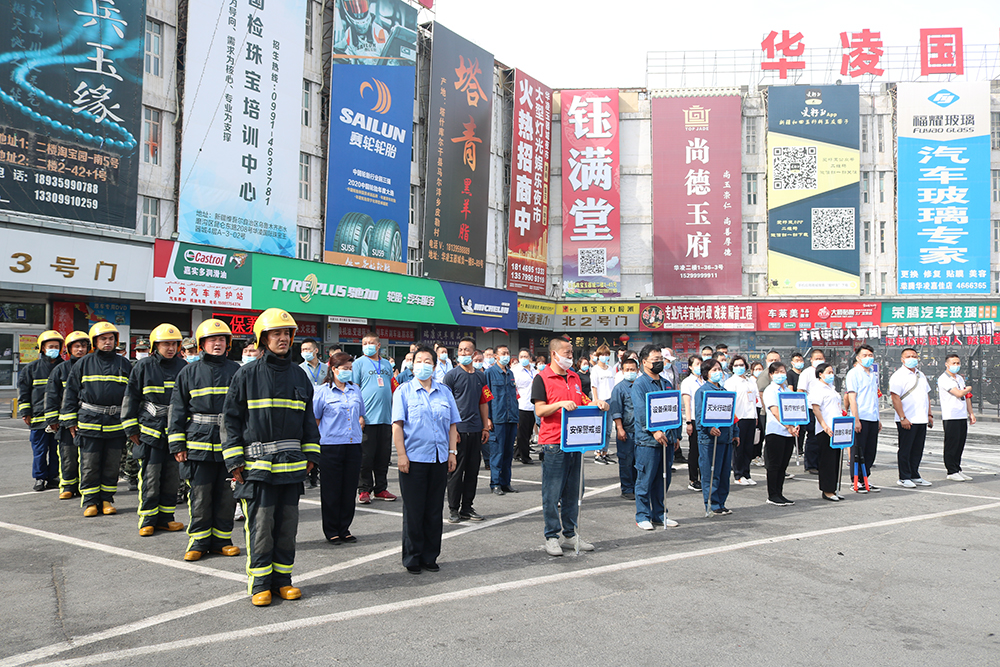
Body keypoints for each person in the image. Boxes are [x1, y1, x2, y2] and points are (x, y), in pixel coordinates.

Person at [223, 308, 321, 606]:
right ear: (263, 338)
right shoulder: (247, 373)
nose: (282, 338)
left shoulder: (299, 375)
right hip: (257, 469)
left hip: (291, 467)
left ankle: (283, 581)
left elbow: (308, 420)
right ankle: (260, 584)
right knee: (261, 527)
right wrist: (234, 461)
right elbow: (230, 420)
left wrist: (311, 454)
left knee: (287, 527)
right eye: (275, 333)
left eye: (286, 334)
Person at [168, 319, 242, 561]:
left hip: (228, 444)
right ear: (202, 344)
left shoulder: (237, 371)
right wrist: (177, 444)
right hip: (197, 443)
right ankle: (198, 540)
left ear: (228, 343)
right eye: (212, 340)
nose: (217, 344)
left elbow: (245, 409)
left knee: (226, 495)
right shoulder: (188, 372)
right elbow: (177, 409)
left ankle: (222, 540)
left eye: (221, 340)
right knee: (200, 495)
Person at [531, 337, 608, 556]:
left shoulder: (574, 377)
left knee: (574, 491)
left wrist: (597, 403)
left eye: (571, 352)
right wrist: (559, 405)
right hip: (554, 442)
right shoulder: (542, 378)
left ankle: (570, 533)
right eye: (566, 353)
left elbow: (583, 400)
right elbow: (540, 410)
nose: (570, 356)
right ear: (554, 354)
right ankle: (552, 536)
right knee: (552, 492)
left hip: (576, 442)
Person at [392, 345, 460, 574]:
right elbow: (397, 426)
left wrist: (452, 452)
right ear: (412, 365)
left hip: (439, 458)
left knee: (433, 510)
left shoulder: (445, 392)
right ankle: (412, 557)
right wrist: (401, 455)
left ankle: (430, 556)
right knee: (414, 510)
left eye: (427, 361)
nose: (423, 365)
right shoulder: (403, 391)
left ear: (435, 365)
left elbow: (452, 425)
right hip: (414, 459)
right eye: (418, 360)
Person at [61, 322, 133, 517]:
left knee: (111, 465)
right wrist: (70, 421)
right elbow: (70, 393)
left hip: (116, 423)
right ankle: (91, 501)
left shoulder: (124, 364)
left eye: (111, 339)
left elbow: (133, 395)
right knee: (90, 464)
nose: (107, 342)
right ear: (95, 342)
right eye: (103, 339)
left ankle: (107, 499)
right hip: (89, 421)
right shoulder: (83, 363)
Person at [121, 323, 187, 536]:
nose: (170, 348)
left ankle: (167, 518)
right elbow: (131, 397)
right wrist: (130, 426)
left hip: (175, 432)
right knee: (150, 477)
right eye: (165, 344)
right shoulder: (143, 367)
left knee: (171, 478)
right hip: (150, 432)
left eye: (174, 344)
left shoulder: (184, 366)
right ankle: (148, 519)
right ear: (154, 345)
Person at [313, 351, 366, 543]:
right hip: (330, 447)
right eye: (345, 369)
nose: (348, 372)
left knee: (349, 488)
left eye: (350, 369)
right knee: (331, 490)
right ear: (334, 369)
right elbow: (316, 419)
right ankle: (331, 530)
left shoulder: (355, 390)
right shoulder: (322, 391)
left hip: (353, 445)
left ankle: (345, 527)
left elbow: (361, 414)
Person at [630, 345, 681, 531]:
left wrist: (676, 435)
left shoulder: (666, 382)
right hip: (648, 442)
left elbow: (674, 409)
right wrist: (654, 431)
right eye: (655, 359)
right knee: (645, 479)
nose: (659, 362)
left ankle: (660, 514)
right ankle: (642, 515)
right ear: (644, 362)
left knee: (663, 479)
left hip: (667, 440)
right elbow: (641, 411)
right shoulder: (640, 384)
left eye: (661, 359)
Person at [443, 337, 491, 523]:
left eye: (466, 350)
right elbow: (445, 405)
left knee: (472, 472)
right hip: (458, 432)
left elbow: (484, 401)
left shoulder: (481, 376)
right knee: (456, 472)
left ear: (474, 354)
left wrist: (485, 426)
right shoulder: (451, 376)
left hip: (476, 429)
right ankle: (453, 509)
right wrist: (451, 432)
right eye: (460, 350)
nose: (462, 353)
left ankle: (467, 507)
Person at [45, 331, 91, 499]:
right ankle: (67, 486)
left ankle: (83, 486)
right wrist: (52, 419)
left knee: (88, 458)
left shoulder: (92, 367)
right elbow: (51, 395)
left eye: (83, 346)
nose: (80, 350)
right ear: (69, 349)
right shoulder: (60, 369)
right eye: (76, 346)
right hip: (65, 422)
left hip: (89, 420)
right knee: (67, 455)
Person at [353, 332, 397, 504]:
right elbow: (355, 389)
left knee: (383, 456)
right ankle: (364, 489)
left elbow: (392, 387)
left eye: (371, 343)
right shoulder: (358, 363)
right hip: (367, 419)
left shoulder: (386, 364)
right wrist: (359, 414)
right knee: (366, 456)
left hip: (385, 418)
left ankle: (381, 488)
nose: (368, 345)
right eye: (364, 343)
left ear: (379, 345)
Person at [19, 330, 65, 491]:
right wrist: (25, 412)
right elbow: (24, 392)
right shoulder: (31, 369)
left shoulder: (65, 367)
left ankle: (53, 477)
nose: (53, 349)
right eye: (50, 346)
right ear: (42, 348)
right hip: (38, 418)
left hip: (59, 418)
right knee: (39, 450)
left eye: (56, 346)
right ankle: (39, 478)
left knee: (56, 451)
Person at [694, 359, 738, 515]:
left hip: (725, 438)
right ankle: (712, 503)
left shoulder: (725, 392)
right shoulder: (702, 392)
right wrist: (708, 428)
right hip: (710, 440)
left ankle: (721, 502)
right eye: (714, 370)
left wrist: (736, 433)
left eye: (719, 369)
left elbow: (732, 415)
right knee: (711, 473)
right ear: (706, 373)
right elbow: (699, 416)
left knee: (725, 473)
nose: (718, 372)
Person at [889, 348, 933, 489]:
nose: (912, 358)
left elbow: (926, 395)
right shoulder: (898, 375)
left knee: (917, 449)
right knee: (905, 449)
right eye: (908, 356)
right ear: (902, 359)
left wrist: (929, 414)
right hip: (907, 419)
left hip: (921, 418)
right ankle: (904, 477)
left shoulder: (921, 375)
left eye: (914, 356)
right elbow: (895, 397)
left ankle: (915, 474)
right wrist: (902, 417)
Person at [845, 344, 881, 493]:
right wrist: (856, 419)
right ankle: (856, 480)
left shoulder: (872, 374)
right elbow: (852, 398)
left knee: (870, 451)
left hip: (872, 418)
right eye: (865, 355)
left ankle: (865, 478)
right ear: (858, 358)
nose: (868, 358)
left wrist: (878, 418)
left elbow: (874, 398)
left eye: (870, 355)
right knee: (857, 451)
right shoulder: (854, 373)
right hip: (861, 417)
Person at [761, 362, 797, 506]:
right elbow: (775, 411)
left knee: (783, 465)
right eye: (776, 372)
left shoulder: (787, 391)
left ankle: (780, 493)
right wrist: (788, 426)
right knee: (774, 465)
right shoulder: (771, 390)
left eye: (782, 371)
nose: (780, 374)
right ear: (771, 375)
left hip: (789, 433)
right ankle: (772, 494)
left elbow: (795, 410)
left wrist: (796, 425)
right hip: (776, 431)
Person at [810, 363, 846, 502]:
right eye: (829, 372)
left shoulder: (832, 388)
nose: (832, 374)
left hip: (836, 428)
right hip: (825, 430)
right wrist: (824, 425)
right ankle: (827, 490)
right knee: (827, 461)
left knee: (835, 459)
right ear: (820, 374)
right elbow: (816, 409)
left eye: (832, 372)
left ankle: (834, 488)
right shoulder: (818, 388)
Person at [485, 344, 518, 495]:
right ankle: (495, 483)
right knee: (497, 452)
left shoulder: (510, 373)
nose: (506, 355)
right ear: (496, 356)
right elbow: (485, 397)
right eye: (503, 353)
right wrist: (487, 418)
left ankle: (506, 482)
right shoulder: (490, 373)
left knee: (508, 453)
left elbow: (514, 396)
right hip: (497, 418)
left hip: (511, 418)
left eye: (507, 352)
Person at [937, 354, 976, 482]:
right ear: (946, 364)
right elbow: (959, 393)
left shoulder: (959, 378)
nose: (956, 365)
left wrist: (970, 413)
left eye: (958, 363)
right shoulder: (944, 379)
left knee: (960, 443)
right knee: (952, 444)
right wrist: (969, 388)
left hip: (961, 415)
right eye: (953, 363)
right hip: (950, 415)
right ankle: (951, 470)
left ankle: (957, 468)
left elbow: (966, 397)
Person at [725, 355, 759, 486]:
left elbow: (755, 400)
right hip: (739, 418)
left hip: (750, 417)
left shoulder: (751, 381)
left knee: (748, 447)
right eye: (736, 365)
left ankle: (747, 473)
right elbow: (730, 402)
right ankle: (738, 474)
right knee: (739, 448)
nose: (739, 367)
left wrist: (755, 417)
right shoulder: (730, 382)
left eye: (741, 365)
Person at [610, 357, 638, 500]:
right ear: (622, 371)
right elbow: (616, 410)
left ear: (637, 370)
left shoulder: (641, 386)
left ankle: (638, 488)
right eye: (627, 370)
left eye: (632, 369)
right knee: (626, 461)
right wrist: (620, 428)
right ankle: (627, 488)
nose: (630, 372)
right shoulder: (619, 388)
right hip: (627, 431)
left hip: (641, 431)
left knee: (639, 462)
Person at [797, 349, 826, 474]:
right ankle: (810, 464)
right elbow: (800, 391)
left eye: (821, 358)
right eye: (817, 358)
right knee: (812, 436)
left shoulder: (825, 372)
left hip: (824, 409)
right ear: (811, 359)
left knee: (822, 437)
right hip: (811, 408)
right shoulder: (807, 373)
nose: (819, 360)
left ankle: (821, 462)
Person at [590, 344, 616, 465]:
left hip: (610, 400)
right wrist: (596, 400)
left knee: (609, 429)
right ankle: (598, 453)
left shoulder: (610, 369)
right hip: (601, 401)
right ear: (598, 356)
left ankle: (605, 452)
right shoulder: (595, 369)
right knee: (601, 428)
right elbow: (594, 387)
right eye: (602, 355)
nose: (605, 357)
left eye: (606, 355)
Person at [680, 355, 704, 491]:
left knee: (704, 450)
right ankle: (693, 479)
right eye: (696, 364)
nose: (699, 366)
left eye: (701, 363)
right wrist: (689, 422)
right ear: (690, 366)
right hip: (694, 419)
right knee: (694, 450)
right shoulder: (688, 382)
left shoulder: (705, 380)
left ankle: (704, 476)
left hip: (705, 420)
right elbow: (687, 404)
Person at [514, 348, 537, 465]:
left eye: (525, 356)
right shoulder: (516, 371)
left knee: (528, 432)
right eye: (521, 356)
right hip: (521, 404)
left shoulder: (534, 371)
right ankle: (525, 456)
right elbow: (514, 387)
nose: (523, 359)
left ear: (530, 358)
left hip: (532, 405)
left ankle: (517, 453)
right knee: (522, 433)